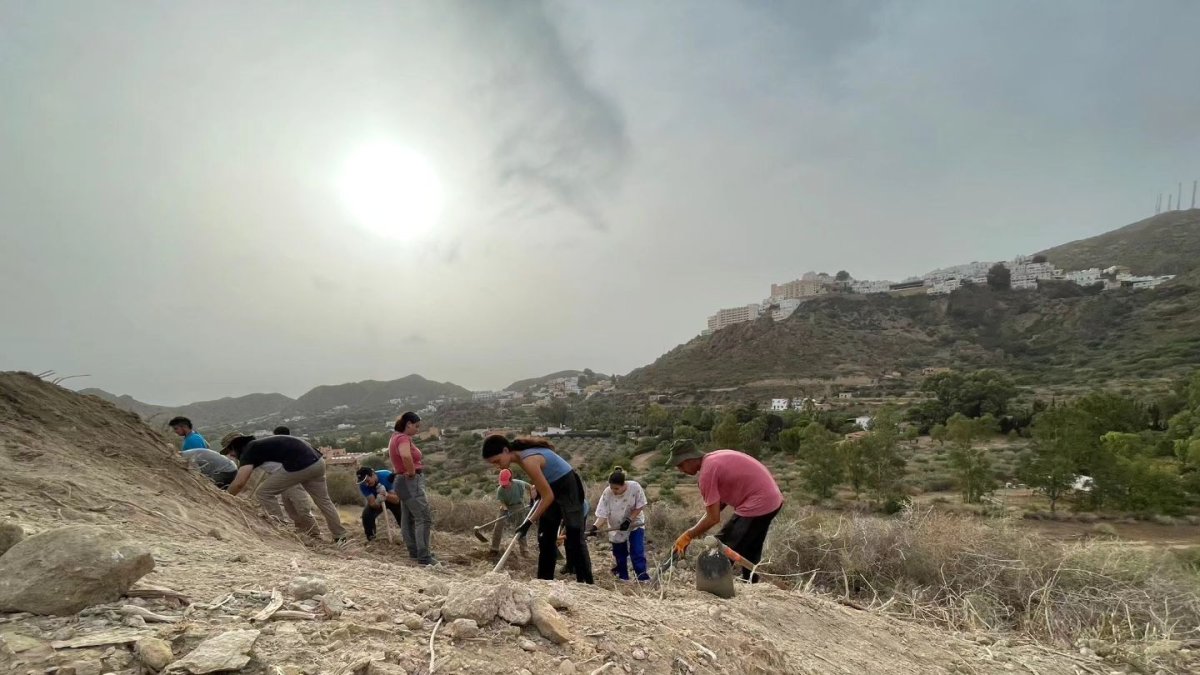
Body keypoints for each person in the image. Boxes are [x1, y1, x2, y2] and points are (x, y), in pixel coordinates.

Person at [481, 435, 593, 584]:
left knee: (574, 536)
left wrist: (528, 522)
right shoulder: (521, 457)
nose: (498, 466)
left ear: (506, 450)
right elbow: (544, 486)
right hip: (552, 485)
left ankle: (586, 584)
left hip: (568, 486)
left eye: (497, 461)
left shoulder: (528, 460)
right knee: (545, 537)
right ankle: (544, 583)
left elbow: (548, 497)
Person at [668, 439, 784, 582]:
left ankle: (713, 587)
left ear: (690, 459)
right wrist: (694, 531)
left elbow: (713, 518)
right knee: (750, 546)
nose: (680, 470)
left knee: (719, 548)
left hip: (758, 503)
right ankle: (752, 584)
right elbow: (717, 507)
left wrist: (687, 536)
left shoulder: (707, 473)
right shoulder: (714, 458)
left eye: (680, 465)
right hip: (773, 500)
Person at [222, 431, 348, 542]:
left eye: (229, 451)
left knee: (263, 493)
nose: (230, 455)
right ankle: (340, 536)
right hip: (318, 462)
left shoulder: (249, 450)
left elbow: (239, 482)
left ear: (234, 445)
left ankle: (281, 529)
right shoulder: (260, 445)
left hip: (300, 465)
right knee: (324, 501)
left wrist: (224, 497)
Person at [388, 412, 438, 566]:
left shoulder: (394, 437)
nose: (418, 429)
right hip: (409, 481)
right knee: (423, 517)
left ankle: (415, 553)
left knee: (408, 519)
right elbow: (406, 456)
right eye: (416, 426)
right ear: (408, 424)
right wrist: (411, 472)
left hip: (401, 482)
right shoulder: (403, 438)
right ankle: (424, 557)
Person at [590, 467, 650, 582]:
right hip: (615, 525)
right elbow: (602, 514)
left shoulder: (635, 487)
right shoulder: (607, 493)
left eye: (616, 488)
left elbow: (640, 506)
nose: (614, 491)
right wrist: (595, 527)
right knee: (619, 553)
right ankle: (623, 577)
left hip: (635, 523)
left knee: (637, 551)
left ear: (624, 485)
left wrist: (628, 520)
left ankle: (642, 578)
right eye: (612, 488)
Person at [492, 468, 533, 556]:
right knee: (498, 525)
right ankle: (494, 548)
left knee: (521, 527)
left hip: (518, 506)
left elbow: (531, 487)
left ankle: (524, 550)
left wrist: (532, 499)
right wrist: (506, 510)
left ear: (510, 479)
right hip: (506, 507)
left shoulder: (519, 484)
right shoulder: (500, 489)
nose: (504, 485)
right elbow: (502, 502)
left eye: (506, 483)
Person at [357, 467, 404, 542]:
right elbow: (372, 504)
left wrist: (386, 495)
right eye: (364, 482)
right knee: (367, 515)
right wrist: (378, 501)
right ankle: (372, 539)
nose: (367, 484)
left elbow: (396, 500)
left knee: (403, 515)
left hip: (392, 497)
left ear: (373, 474)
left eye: (367, 481)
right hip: (378, 499)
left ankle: (408, 536)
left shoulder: (387, 476)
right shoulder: (363, 485)